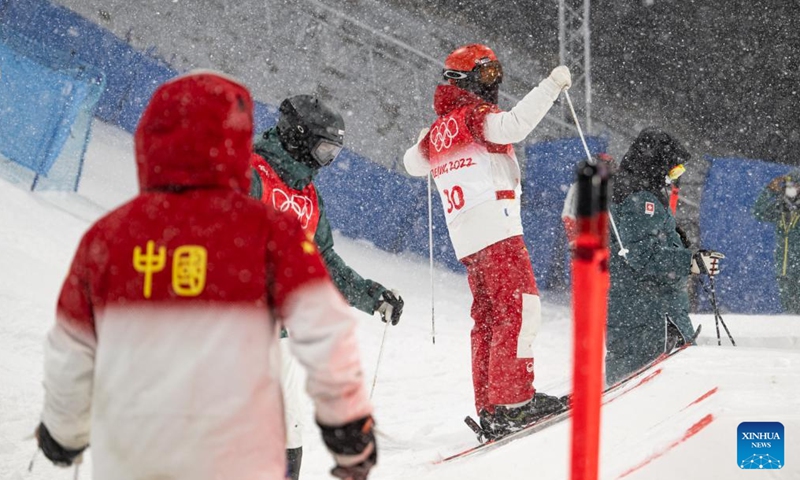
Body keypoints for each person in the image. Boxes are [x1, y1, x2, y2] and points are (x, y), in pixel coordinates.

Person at [34, 71, 377, 480]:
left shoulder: (112, 233)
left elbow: (74, 344)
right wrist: (348, 431)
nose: (327, 162)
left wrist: (64, 432)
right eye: (324, 150)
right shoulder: (260, 205)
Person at [403, 43, 571, 438]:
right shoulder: (474, 115)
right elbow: (514, 126)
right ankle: (514, 403)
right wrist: (551, 86)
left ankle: (493, 403)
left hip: (467, 238)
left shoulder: (440, 130)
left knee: (489, 319)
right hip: (498, 229)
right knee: (519, 310)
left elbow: (412, 163)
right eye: (487, 76)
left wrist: (424, 140)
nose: (493, 85)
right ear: (467, 81)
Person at [249, 93, 403, 478]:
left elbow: (323, 263)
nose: (327, 162)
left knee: (287, 425)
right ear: (299, 137)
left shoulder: (308, 199)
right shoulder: (251, 175)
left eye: (333, 153)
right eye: (324, 150)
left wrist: (372, 295)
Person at [606, 127, 722, 385]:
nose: (673, 178)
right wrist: (689, 261)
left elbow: (649, 241)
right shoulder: (638, 198)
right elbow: (641, 255)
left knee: (653, 383)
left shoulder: (642, 191)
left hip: (656, 311)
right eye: (672, 170)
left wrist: (677, 241)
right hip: (646, 314)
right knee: (639, 384)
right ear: (655, 162)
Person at [753, 169, 800, 313]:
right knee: (791, 314)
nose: (792, 188)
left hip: (797, 272)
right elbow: (758, 212)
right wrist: (769, 190)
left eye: (795, 185)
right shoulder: (781, 209)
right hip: (784, 272)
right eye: (789, 185)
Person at [562, 152, 615, 246]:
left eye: (608, 168)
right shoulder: (580, 187)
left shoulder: (612, 188)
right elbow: (568, 215)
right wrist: (575, 240)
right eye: (602, 168)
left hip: (608, 245)